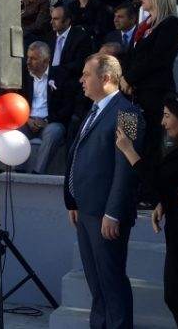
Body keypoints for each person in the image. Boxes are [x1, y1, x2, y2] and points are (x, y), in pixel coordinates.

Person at [64, 53, 144, 329]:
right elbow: (80, 155)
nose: (81, 80)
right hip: (86, 211)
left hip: (106, 215)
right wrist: (73, 200)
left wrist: (113, 212)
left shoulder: (127, 113)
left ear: (106, 78)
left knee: (111, 282)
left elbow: (126, 169)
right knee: (96, 284)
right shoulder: (94, 109)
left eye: (86, 74)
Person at [116, 91, 178, 329]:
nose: (163, 122)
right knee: (174, 295)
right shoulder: (177, 145)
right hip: (176, 229)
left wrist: (130, 152)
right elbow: (176, 184)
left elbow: (162, 181)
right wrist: (166, 201)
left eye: (167, 116)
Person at [124, 0, 178, 162]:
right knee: (127, 141)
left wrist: (129, 78)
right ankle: (127, 173)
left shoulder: (171, 24)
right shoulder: (144, 26)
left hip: (155, 94)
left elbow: (156, 59)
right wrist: (125, 79)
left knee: (150, 144)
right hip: (133, 94)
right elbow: (133, 57)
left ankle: (146, 176)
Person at [21, 42, 73, 174]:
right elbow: (17, 101)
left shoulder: (61, 76)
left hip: (50, 122)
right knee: (14, 131)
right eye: (28, 57)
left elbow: (67, 106)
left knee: (53, 132)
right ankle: (17, 172)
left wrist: (46, 121)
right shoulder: (23, 76)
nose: (28, 62)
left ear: (46, 61)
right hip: (27, 121)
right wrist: (27, 119)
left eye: (33, 58)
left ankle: (37, 173)